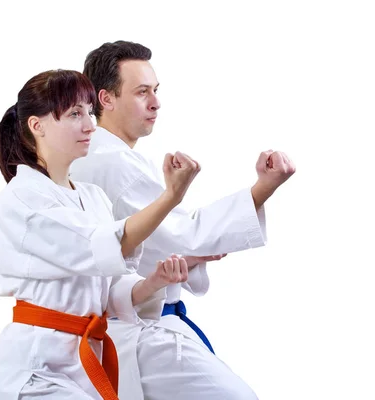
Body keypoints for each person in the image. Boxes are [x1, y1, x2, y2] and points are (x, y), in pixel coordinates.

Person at [70, 41, 296, 399]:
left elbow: (148, 241)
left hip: (121, 325)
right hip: (142, 329)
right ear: (106, 99)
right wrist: (263, 188)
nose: (156, 103)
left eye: (156, 90)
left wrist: (192, 251)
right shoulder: (114, 164)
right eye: (142, 92)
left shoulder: (90, 157)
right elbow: (189, 236)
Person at [0, 69, 200, 400]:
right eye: (75, 113)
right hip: (37, 369)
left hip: (86, 364)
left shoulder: (93, 197)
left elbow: (109, 290)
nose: (89, 124)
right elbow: (98, 246)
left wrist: (153, 283)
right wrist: (170, 197)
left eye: (89, 111)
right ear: (37, 125)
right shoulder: (24, 197)